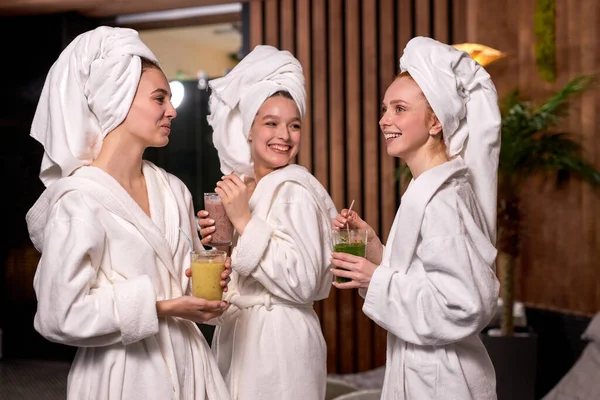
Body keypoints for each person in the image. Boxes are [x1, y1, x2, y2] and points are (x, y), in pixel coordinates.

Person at [25, 26, 231, 400]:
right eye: (159, 98)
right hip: (122, 377)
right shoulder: (79, 200)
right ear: (116, 99)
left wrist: (210, 278)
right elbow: (58, 315)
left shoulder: (173, 190)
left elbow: (187, 287)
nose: (172, 110)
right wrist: (163, 307)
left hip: (190, 368)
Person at [330, 36, 501, 399]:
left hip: (444, 380)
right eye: (384, 108)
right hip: (430, 373)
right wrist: (377, 251)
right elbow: (427, 275)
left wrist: (375, 278)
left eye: (398, 109)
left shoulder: (443, 198)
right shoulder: (425, 189)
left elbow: (465, 304)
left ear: (436, 121)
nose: (383, 119)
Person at [196, 45, 338, 399]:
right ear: (249, 129)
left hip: (281, 343)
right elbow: (247, 269)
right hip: (246, 336)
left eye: (294, 125)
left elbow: (304, 282)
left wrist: (244, 220)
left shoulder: (293, 189)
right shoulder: (251, 188)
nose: (284, 136)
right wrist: (221, 243)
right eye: (270, 123)